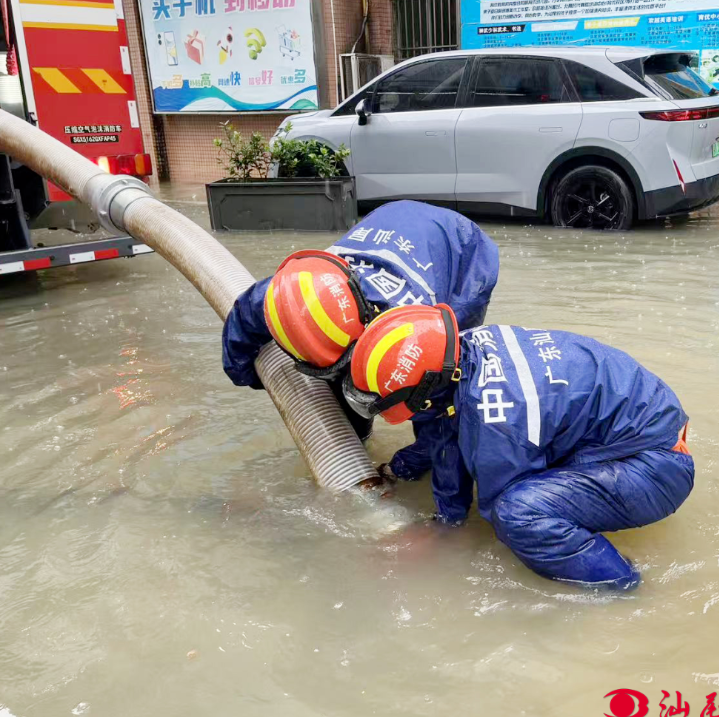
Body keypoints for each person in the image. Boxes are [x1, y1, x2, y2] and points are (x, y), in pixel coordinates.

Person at [342, 304, 694, 590]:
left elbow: (497, 498)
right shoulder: (461, 351)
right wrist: (404, 478)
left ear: (424, 390)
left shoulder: (496, 420)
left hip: (654, 466)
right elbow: (444, 427)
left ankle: (622, 584)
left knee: (516, 514)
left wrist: (444, 535)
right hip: (641, 426)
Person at [222, 200, 499, 476]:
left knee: (444, 378)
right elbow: (243, 317)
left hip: (465, 252)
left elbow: (440, 413)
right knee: (351, 392)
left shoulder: (410, 338)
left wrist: (401, 470)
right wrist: (249, 375)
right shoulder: (292, 291)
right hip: (392, 219)